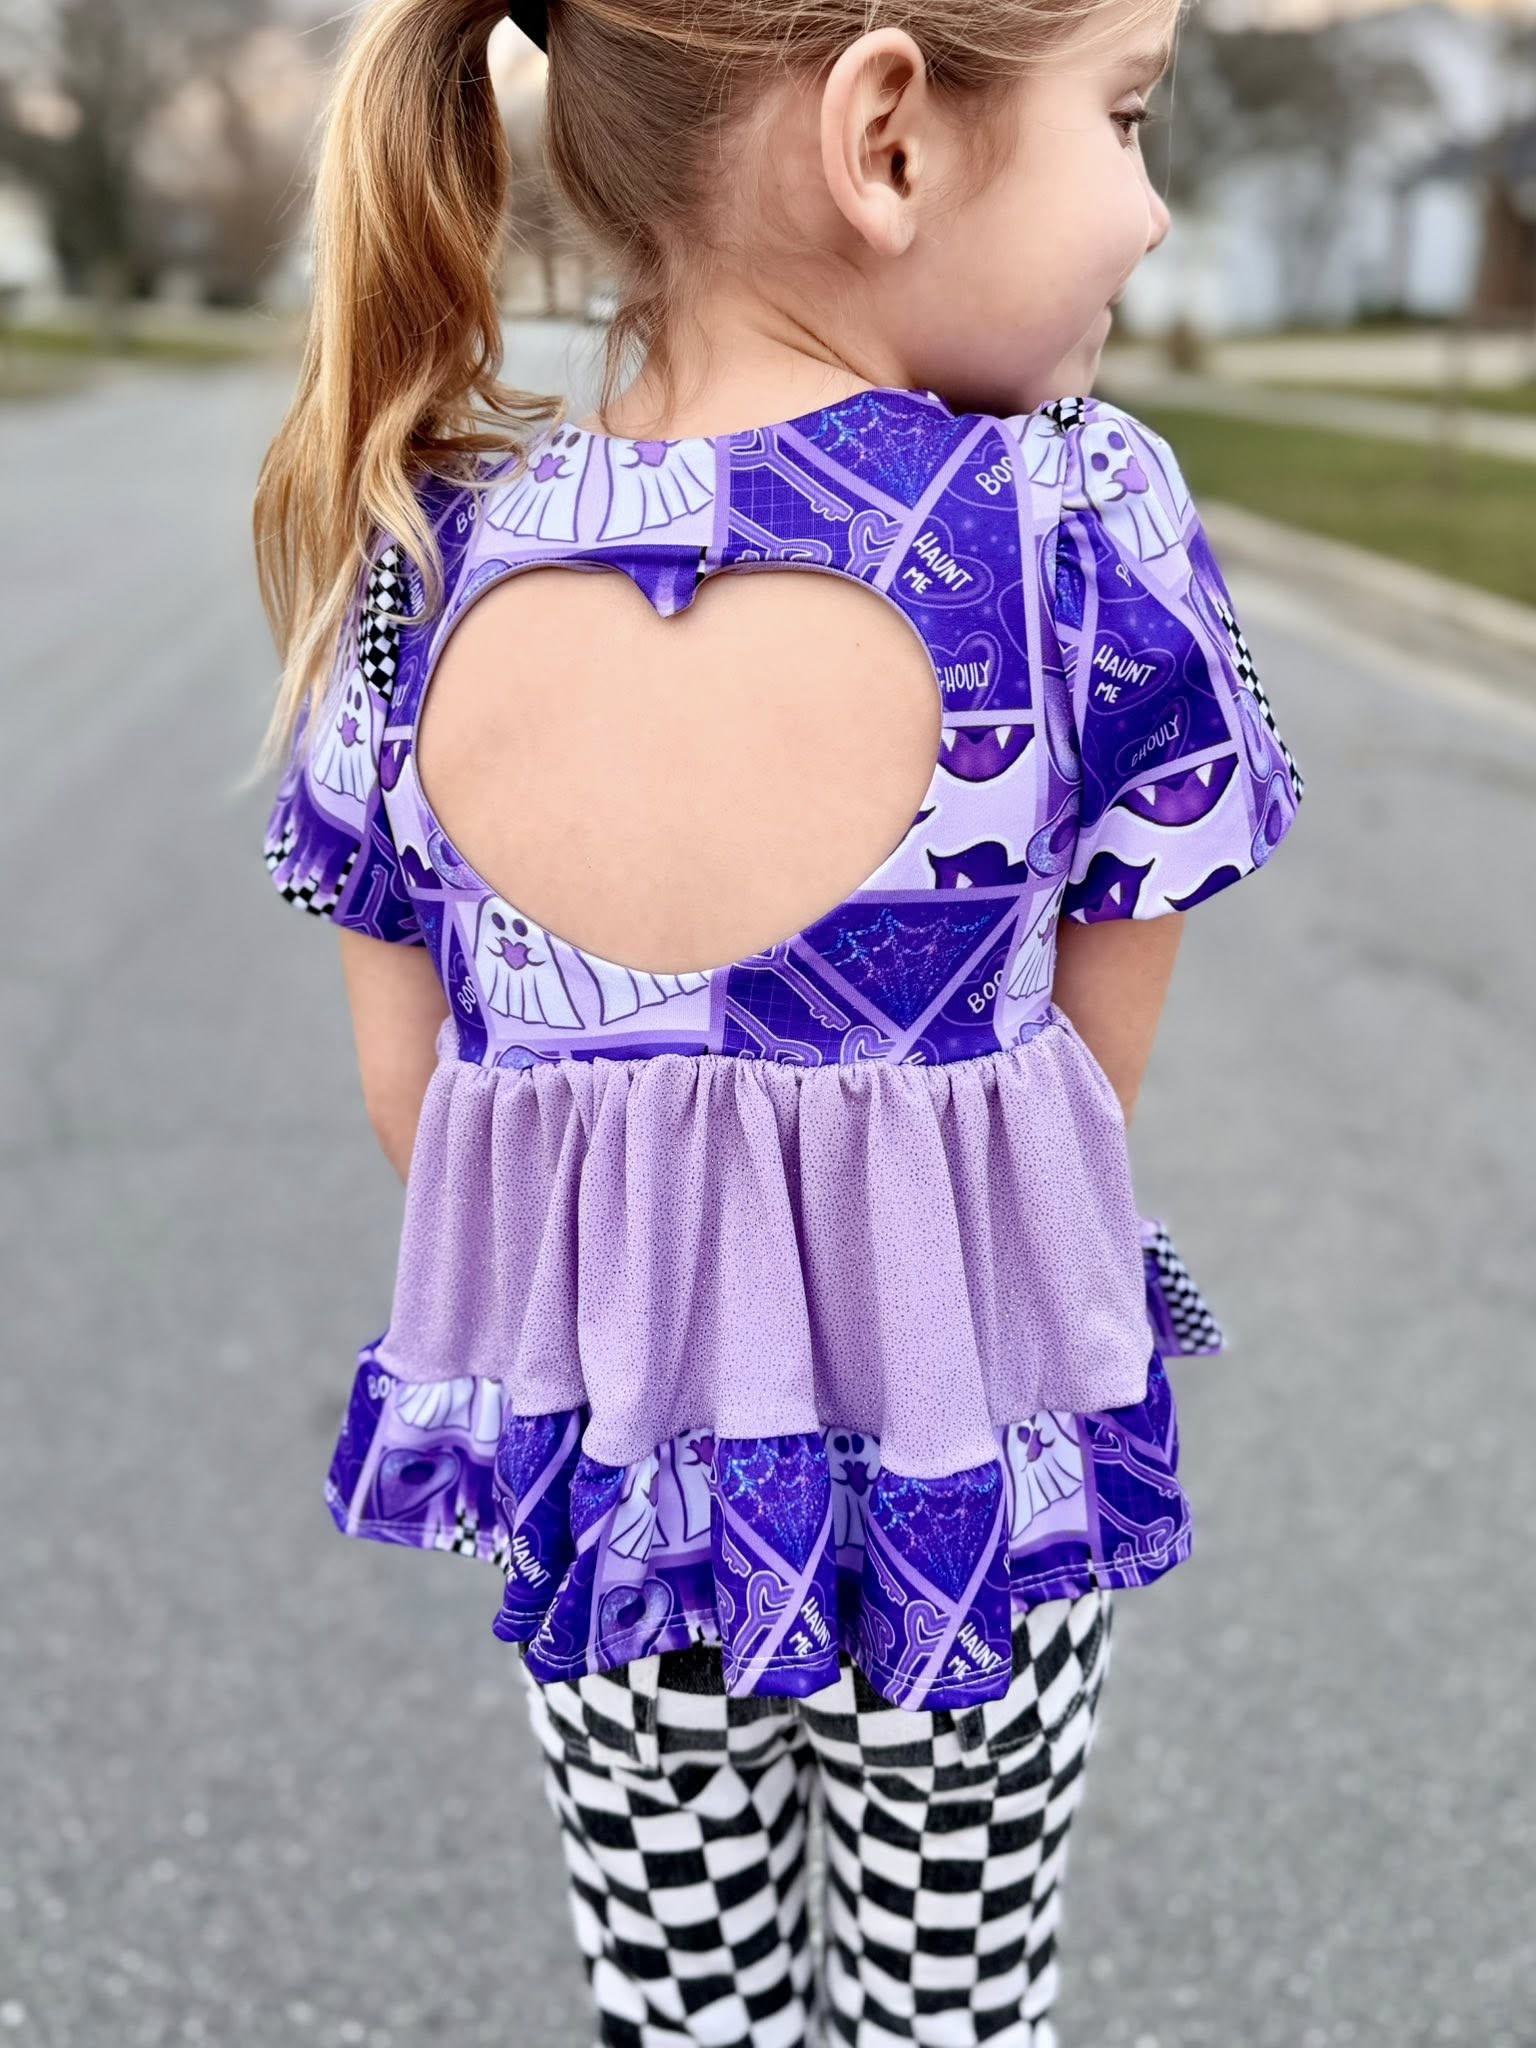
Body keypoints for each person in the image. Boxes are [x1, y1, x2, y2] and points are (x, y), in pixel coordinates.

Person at [248, 0, 1305, 2040]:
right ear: (887, 135)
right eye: (1125, 120)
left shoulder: (418, 571)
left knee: (680, 2011)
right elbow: (1083, 1109)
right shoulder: (1074, 528)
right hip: (968, 1512)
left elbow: (423, 1114)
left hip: (625, 1517)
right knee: (955, 2008)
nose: (1152, 213)